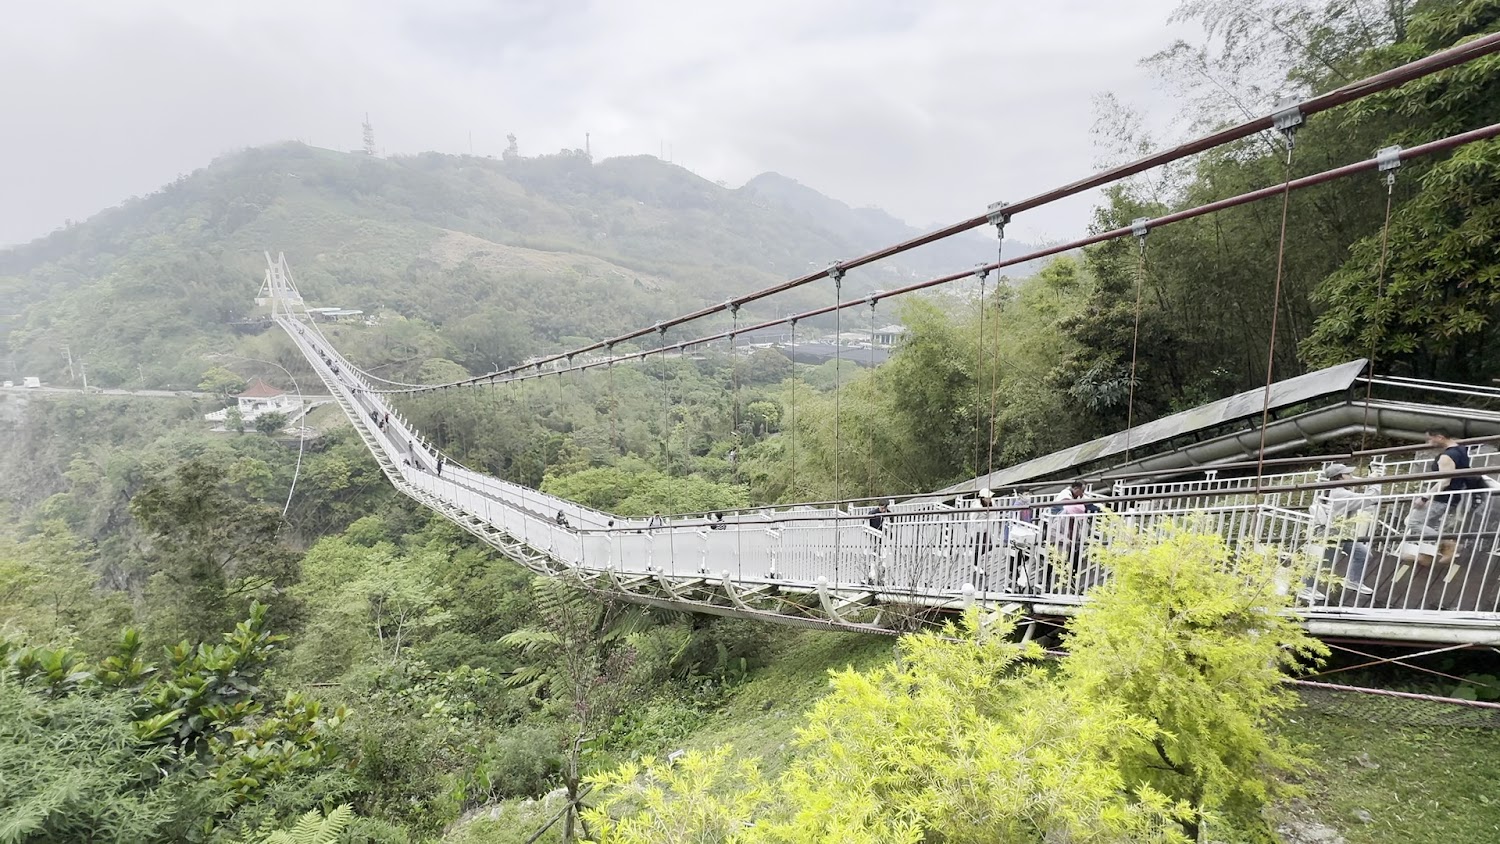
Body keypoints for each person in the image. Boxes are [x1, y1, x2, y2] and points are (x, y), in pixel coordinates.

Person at [1311, 463, 1376, 596]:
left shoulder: (1335, 490)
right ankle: (1306, 588)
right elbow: (1369, 499)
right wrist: (1375, 483)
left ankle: (1353, 580)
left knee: (1362, 554)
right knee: (1324, 563)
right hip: (1332, 534)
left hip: (1341, 533)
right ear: (1339, 477)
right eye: (1349, 474)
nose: (1352, 476)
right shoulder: (1340, 494)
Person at [1410, 428, 1484, 536]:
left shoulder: (1447, 457)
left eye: (1430, 439)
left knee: (1412, 522)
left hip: (1442, 498)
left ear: (1440, 437)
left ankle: (1443, 542)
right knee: (1428, 525)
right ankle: (1433, 549)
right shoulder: (1461, 449)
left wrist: (1424, 498)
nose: (1429, 443)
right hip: (1453, 496)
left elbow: (1445, 481)